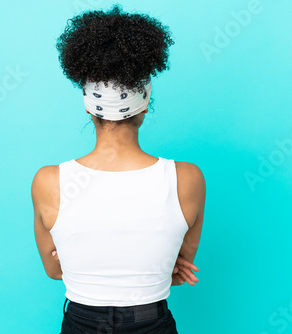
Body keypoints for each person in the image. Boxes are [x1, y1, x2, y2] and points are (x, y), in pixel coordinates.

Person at [32, 4, 206, 333]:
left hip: (82, 323)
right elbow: (174, 270)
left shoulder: (48, 182)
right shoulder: (187, 179)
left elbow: (56, 270)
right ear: (144, 106)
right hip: (151, 322)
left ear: (89, 108)